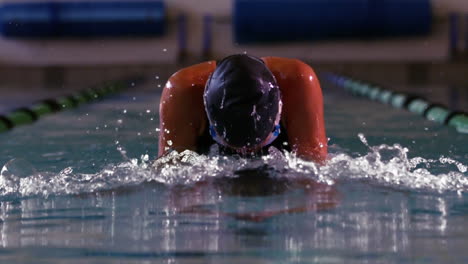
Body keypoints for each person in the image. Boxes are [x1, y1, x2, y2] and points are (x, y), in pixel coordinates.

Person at [158, 54, 327, 163]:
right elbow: (173, 178)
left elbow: (315, 171)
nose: (246, 152)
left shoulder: (297, 82)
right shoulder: (183, 92)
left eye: (263, 140)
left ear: (279, 108)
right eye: (230, 144)